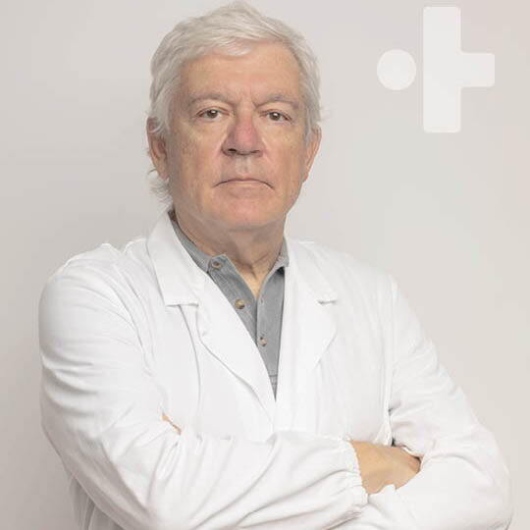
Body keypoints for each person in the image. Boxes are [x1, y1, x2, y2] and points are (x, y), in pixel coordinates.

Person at [39, 2, 512, 529]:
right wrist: (366, 464)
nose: (245, 142)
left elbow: (482, 487)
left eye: (275, 115)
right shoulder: (94, 297)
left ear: (308, 151)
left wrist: (213, 479)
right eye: (212, 112)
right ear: (160, 146)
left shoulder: (372, 298)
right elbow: (166, 501)